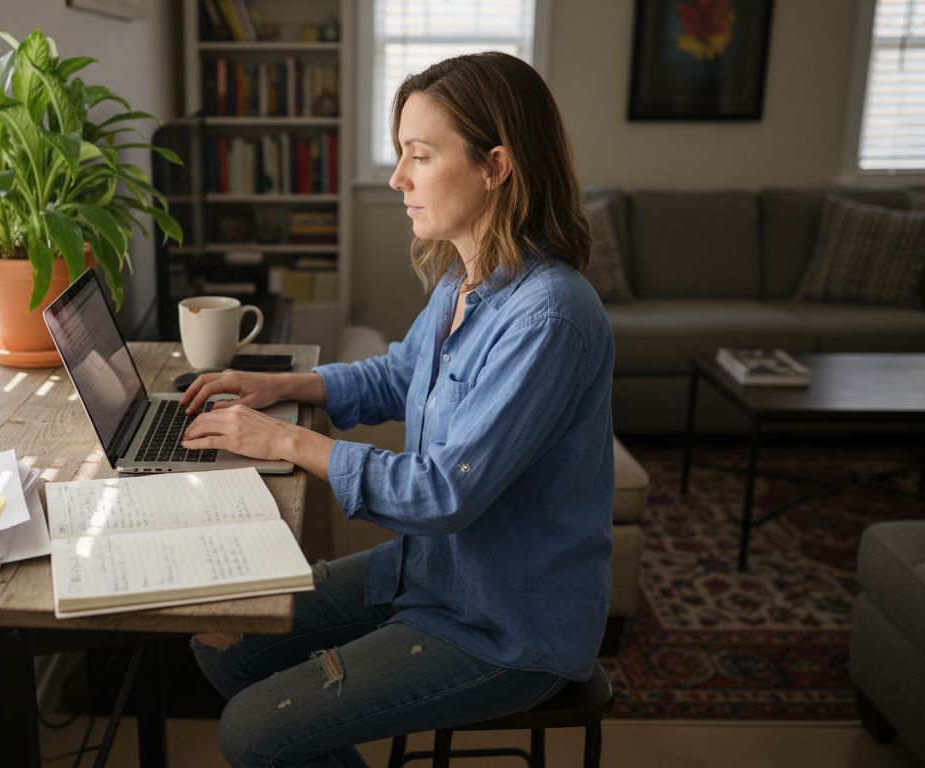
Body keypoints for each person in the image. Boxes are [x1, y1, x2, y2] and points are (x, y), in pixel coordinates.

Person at [177, 51, 615, 767]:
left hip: (503, 626)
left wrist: (281, 442)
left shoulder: (549, 318)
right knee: (219, 644)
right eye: (400, 154)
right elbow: (400, 373)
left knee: (251, 732)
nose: (397, 179)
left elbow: (442, 493)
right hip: (432, 572)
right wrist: (284, 387)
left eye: (419, 155)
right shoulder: (467, 278)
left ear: (495, 165)